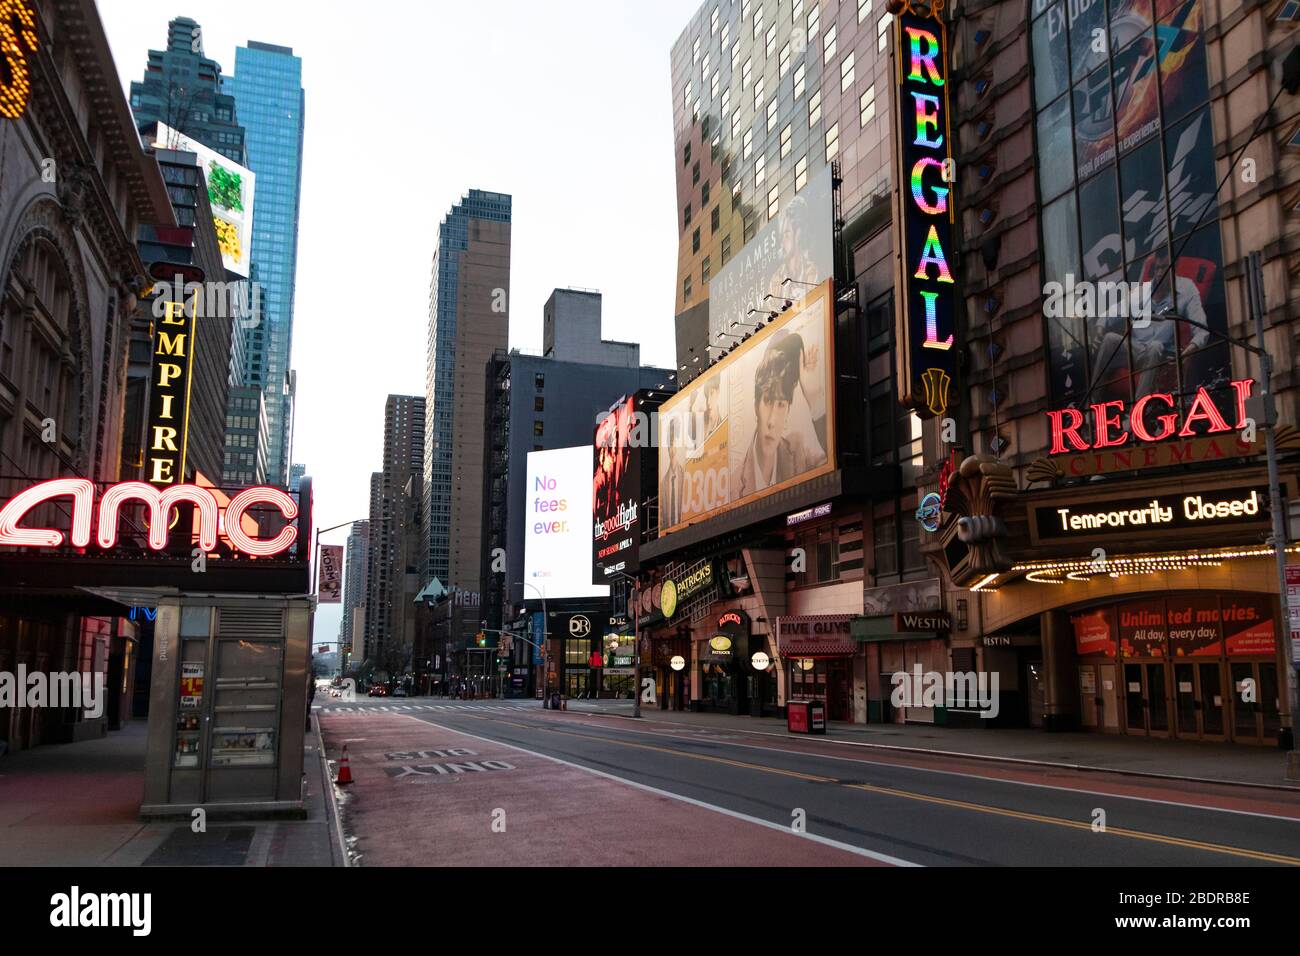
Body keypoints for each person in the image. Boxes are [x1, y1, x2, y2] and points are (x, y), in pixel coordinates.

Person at [735, 329, 828, 497]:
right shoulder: (733, 483)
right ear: (756, 405)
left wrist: (815, 397)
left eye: (781, 404)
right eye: (768, 401)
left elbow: (838, 462)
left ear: (788, 410)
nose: (772, 421)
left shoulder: (800, 452)